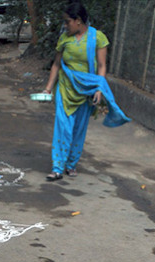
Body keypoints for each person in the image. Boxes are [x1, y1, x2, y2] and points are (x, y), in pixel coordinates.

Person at [43, 2, 130, 181]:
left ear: (79, 21)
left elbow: (102, 66)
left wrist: (99, 89)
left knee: (79, 128)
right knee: (63, 127)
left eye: (68, 22)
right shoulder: (64, 39)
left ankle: (71, 164)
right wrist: (48, 88)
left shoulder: (97, 38)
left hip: (85, 90)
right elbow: (57, 64)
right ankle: (57, 167)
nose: (65, 25)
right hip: (66, 88)